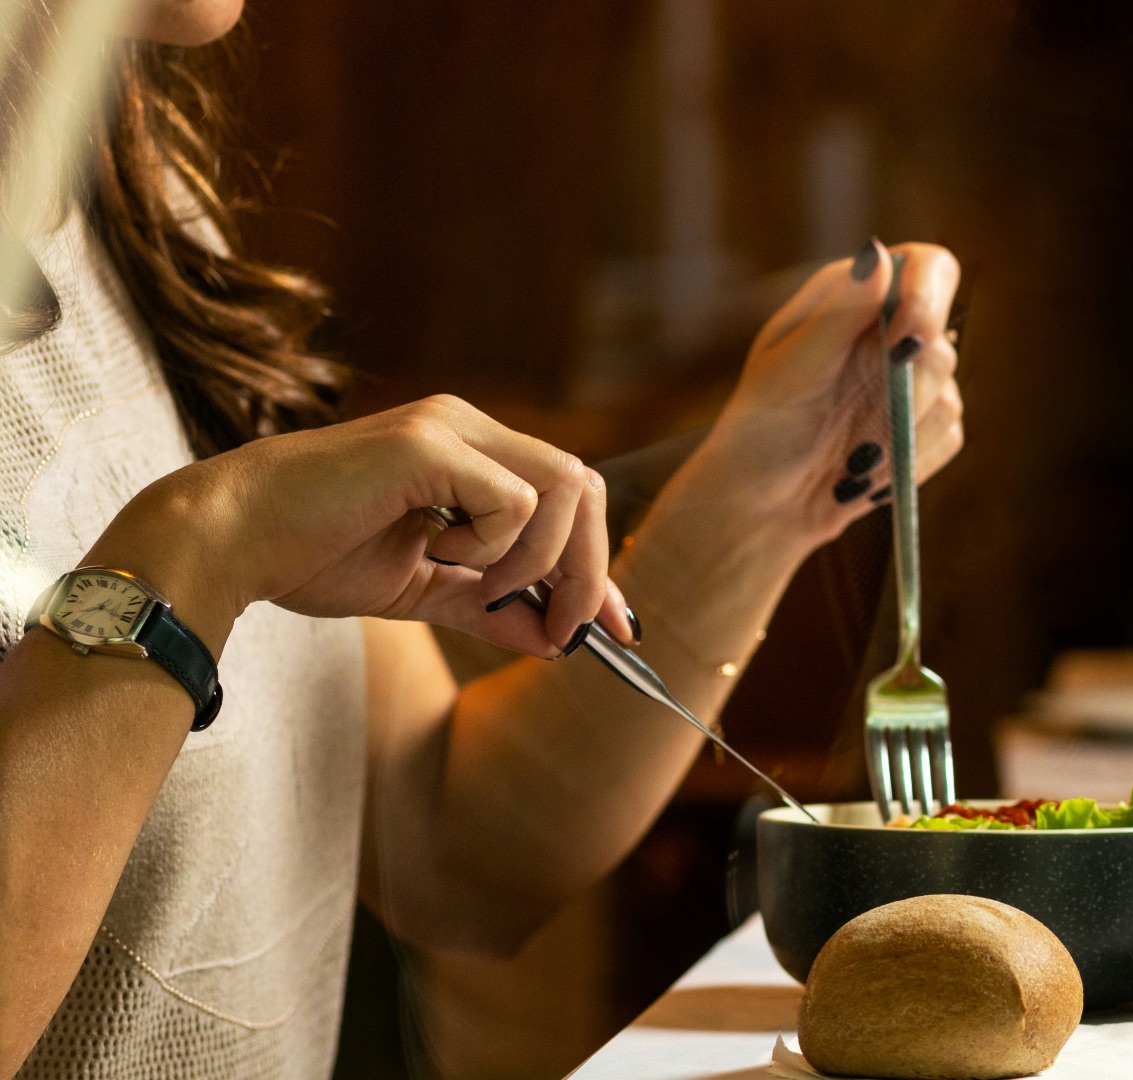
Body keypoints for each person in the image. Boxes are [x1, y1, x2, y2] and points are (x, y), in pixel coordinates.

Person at [0, 0, 964, 1075]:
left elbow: (445, 839)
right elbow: (203, 552)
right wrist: (197, 550)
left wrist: (765, 494)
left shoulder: (129, 209)